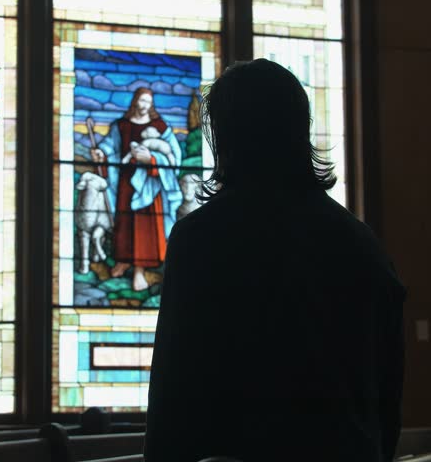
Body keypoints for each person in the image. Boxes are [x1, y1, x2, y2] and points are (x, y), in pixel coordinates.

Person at [144, 59, 405, 461]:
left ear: (226, 138)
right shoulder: (361, 244)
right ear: (301, 130)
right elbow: (387, 397)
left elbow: (174, 392)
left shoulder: (201, 239)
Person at [91, 87, 183, 291]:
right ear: (135, 102)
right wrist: (100, 154)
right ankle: (123, 261)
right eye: (141, 101)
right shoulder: (121, 126)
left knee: (145, 228)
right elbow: (109, 147)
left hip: (151, 185)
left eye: (148, 102)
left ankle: (140, 271)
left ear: (152, 105)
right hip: (126, 183)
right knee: (124, 224)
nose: (144, 106)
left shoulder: (160, 127)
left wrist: (150, 160)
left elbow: (173, 156)